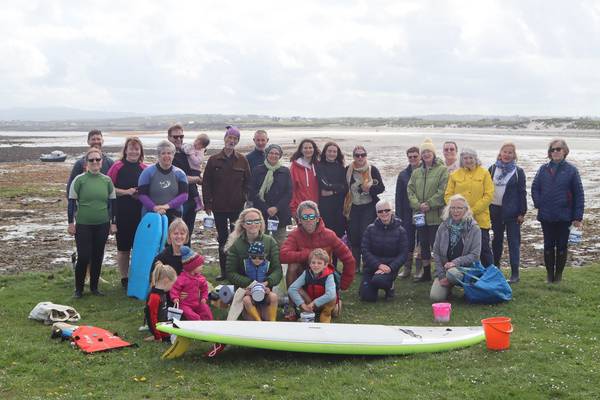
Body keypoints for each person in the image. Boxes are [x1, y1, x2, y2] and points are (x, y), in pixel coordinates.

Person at [280, 200, 355, 319]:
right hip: (303, 276)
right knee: (293, 265)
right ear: (299, 219)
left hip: (324, 276)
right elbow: (283, 255)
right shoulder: (295, 235)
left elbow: (349, 259)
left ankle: (332, 301)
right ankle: (292, 304)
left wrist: (344, 284)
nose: (308, 220)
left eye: (311, 216)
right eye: (305, 217)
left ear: (317, 218)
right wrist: (309, 254)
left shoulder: (329, 235)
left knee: (334, 313)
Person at [532, 138, 584, 283]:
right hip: (546, 215)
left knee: (562, 246)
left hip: (565, 216)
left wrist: (578, 216)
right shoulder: (543, 169)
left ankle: (558, 276)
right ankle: (549, 276)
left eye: (558, 149)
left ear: (565, 151)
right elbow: (535, 188)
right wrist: (539, 203)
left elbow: (579, 194)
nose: (555, 152)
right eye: (552, 150)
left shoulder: (572, 170)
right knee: (548, 246)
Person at [203, 126, 251, 280]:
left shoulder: (242, 160)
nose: (232, 141)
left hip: (237, 207)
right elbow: (206, 183)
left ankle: (236, 271)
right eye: (230, 138)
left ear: (237, 141)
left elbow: (248, 182)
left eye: (235, 139)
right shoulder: (214, 159)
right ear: (225, 139)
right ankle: (224, 272)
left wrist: (244, 198)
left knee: (236, 238)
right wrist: (207, 204)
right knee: (223, 239)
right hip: (219, 208)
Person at [67, 147, 117, 298]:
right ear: (86, 163)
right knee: (83, 256)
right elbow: (71, 203)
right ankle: (79, 290)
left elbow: (113, 204)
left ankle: (94, 288)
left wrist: (113, 223)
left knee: (97, 255)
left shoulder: (107, 181)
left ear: (101, 162)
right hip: (83, 224)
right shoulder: (79, 180)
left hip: (102, 224)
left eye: (98, 159)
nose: (95, 162)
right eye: (91, 160)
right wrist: (70, 223)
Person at [224, 208, 282, 321]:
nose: (253, 224)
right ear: (243, 225)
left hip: (265, 290)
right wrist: (250, 284)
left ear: (261, 223)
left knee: (268, 319)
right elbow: (230, 273)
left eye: (256, 221)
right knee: (254, 322)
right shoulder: (236, 245)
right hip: (245, 291)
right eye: (249, 222)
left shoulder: (270, 242)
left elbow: (277, 270)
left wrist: (267, 283)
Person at [106, 137, 147, 289]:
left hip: (141, 214)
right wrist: (126, 192)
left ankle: (137, 277)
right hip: (122, 213)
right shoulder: (117, 167)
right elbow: (108, 188)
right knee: (123, 249)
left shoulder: (145, 168)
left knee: (139, 248)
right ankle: (124, 278)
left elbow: (149, 189)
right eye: (131, 148)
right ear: (125, 150)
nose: (134, 151)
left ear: (140, 151)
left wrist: (139, 194)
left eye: (137, 149)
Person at [407, 139, 449, 282]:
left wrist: (429, 204)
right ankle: (426, 273)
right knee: (423, 243)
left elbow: (443, 191)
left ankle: (440, 273)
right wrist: (418, 205)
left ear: (433, 153)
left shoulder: (442, 170)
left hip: (435, 216)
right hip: (419, 215)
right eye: (423, 152)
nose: (426, 154)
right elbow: (410, 190)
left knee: (437, 245)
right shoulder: (417, 172)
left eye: (428, 151)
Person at [445, 148, 494, 267]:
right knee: (462, 250)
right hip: (459, 220)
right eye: (465, 158)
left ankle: (490, 275)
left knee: (484, 249)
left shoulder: (484, 173)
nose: (468, 160)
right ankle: (463, 277)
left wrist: (472, 211)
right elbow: (448, 195)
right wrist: (457, 210)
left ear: (476, 159)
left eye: (471, 158)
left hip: (480, 220)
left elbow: (489, 194)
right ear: (461, 159)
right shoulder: (455, 174)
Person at [430, 194, 482, 302]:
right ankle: (448, 285)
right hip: (445, 270)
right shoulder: (443, 226)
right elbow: (436, 252)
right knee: (436, 297)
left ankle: (468, 287)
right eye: (453, 208)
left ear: (466, 210)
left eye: (459, 208)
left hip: (466, 269)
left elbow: (475, 255)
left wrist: (455, 262)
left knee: (452, 273)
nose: (456, 211)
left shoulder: (474, 228)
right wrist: (441, 275)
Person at [489, 142, 527, 283]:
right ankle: (495, 268)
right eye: (505, 152)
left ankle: (515, 273)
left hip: (512, 213)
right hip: (495, 211)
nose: (507, 154)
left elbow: (522, 193)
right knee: (496, 241)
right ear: (500, 153)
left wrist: (522, 213)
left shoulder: (518, 172)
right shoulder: (492, 169)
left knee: (513, 242)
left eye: (510, 152)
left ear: (514, 155)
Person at [343, 145, 385, 273]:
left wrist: (370, 189)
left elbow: (381, 188)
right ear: (353, 156)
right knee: (354, 236)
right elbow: (343, 187)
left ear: (366, 156)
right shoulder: (347, 170)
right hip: (352, 207)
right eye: (357, 155)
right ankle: (355, 265)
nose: (360, 157)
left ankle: (367, 263)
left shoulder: (372, 170)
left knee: (366, 235)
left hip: (368, 206)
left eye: (362, 155)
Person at [359, 200, 408, 302]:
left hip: (390, 268)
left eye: (387, 210)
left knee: (379, 280)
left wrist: (390, 268)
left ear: (392, 211)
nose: (384, 213)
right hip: (372, 267)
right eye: (380, 211)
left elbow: (403, 254)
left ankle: (389, 287)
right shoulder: (370, 229)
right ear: (376, 213)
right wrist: (378, 265)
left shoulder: (401, 231)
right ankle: (372, 286)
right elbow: (365, 250)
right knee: (366, 297)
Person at [248, 144, 292, 245]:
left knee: (279, 244)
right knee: (261, 242)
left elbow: (288, 193)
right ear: (267, 154)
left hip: (280, 213)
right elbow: (253, 192)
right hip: (261, 213)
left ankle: (276, 261)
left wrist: (276, 208)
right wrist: (266, 208)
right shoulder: (257, 170)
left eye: (277, 154)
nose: (274, 155)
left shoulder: (285, 171)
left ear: (280, 156)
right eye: (271, 153)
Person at [137, 140, 188, 224]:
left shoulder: (180, 173)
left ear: (173, 155)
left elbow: (184, 196)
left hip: (174, 214)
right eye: (163, 153)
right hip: (151, 214)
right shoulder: (147, 172)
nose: (166, 156)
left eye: (169, 153)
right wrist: (155, 208)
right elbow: (142, 194)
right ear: (158, 155)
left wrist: (167, 206)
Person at [168, 124, 202, 244]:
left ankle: (187, 261)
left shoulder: (185, 153)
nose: (179, 139)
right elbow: (177, 178)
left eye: (181, 136)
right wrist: (197, 179)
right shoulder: (168, 156)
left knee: (187, 235)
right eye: (175, 137)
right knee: (175, 236)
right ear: (169, 138)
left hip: (191, 199)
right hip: (177, 201)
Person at [288, 248, 338, 323]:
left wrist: (315, 303)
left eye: (319, 263)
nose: (316, 265)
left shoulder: (329, 275)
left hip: (324, 302)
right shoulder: (306, 273)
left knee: (333, 300)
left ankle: (326, 315)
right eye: (313, 262)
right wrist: (302, 304)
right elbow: (292, 289)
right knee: (298, 289)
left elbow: (331, 294)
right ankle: (306, 312)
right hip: (310, 301)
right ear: (309, 264)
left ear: (325, 265)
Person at [316, 141, 348, 254]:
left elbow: (345, 187)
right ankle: (325, 265)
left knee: (337, 237)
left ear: (337, 153)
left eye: (334, 151)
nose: (332, 153)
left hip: (339, 207)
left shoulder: (341, 168)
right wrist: (338, 188)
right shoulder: (319, 166)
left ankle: (334, 266)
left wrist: (332, 191)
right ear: (325, 152)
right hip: (325, 207)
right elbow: (324, 184)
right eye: (329, 151)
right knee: (325, 237)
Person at [237, 242, 279, 321]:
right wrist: (245, 290)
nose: (257, 260)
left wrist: (268, 287)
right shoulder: (244, 265)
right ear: (249, 256)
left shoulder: (268, 265)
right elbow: (240, 280)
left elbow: (272, 278)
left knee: (274, 297)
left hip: (264, 293)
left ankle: (273, 320)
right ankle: (258, 319)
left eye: (260, 258)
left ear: (264, 256)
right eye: (253, 257)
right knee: (246, 300)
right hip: (250, 295)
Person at [395, 146, 420, 279]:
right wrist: (398, 216)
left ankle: (419, 269)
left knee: (422, 240)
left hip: (422, 212)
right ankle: (407, 268)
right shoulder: (403, 174)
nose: (413, 159)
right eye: (410, 157)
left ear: (420, 156)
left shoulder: (425, 171)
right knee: (407, 241)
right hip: (406, 212)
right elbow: (398, 197)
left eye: (415, 156)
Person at [169, 246, 212, 321]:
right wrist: (175, 297)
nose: (202, 266)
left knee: (206, 310)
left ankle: (209, 323)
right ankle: (197, 323)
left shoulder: (200, 278)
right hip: (185, 304)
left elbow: (204, 289)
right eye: (200, 265)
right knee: (192, 315)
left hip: (197, 302)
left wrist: (204, 298)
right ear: (192, 267)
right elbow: (174, 289)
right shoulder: (182, 278)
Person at [66, 129, 114, 195]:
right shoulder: (80, 164)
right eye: (93, 139)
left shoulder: (110, 163)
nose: (96, 141)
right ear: (88, 141)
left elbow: (114, 187)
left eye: (98, 139)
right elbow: (70, 189)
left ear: (102, 141)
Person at [144, 261, 177, 342]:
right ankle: (157, 336)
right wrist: (157, 336)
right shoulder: (155, 297)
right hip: (162, 332)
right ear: (166, 280)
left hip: (165, 326)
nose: (172, 287)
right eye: (172, 284)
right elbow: (152, 318)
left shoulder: (162, 293)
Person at [289, 138, 320, 219]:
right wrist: (293, 208)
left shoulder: (318, 165)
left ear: (314, 149)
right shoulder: (295, 166)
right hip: (301, 206)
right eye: (305, 148)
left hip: (317, 206)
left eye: (310, 148)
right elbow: (292, 188)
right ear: (301, 150)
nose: (308, 150)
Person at [182, 133, 210, 211]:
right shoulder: (192, 147)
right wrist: (184, 147)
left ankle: (198, 202)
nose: (196, 143)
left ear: (202, 146)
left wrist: (191, 154)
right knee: (189, 186)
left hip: (195, 170)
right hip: (189, 169)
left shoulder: (200, 152)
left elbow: (197, 162)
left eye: (199, 143)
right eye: (196, 140)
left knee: (192, 186)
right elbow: (185, 148)